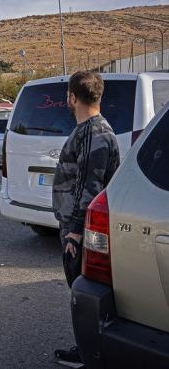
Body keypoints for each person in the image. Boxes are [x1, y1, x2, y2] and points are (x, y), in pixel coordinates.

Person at [52, 71, 120, 364]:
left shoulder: (95, 132)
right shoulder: (89, 130)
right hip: (76, 224)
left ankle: (89, 352)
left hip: (82, 230)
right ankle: (89, 348)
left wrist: (75, 232)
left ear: (72, 97)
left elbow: (89, 186)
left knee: (86, 294)